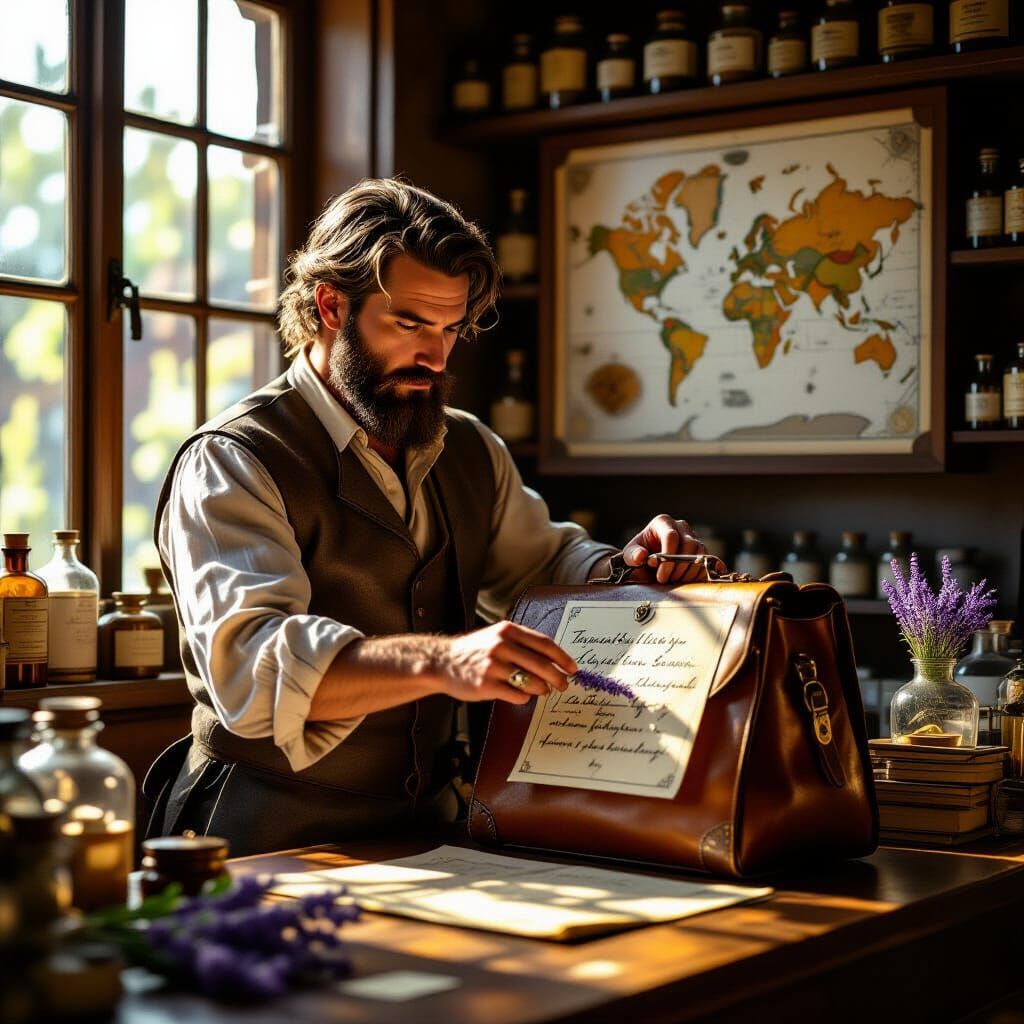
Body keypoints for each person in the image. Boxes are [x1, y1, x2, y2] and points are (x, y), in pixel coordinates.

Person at [148, 178, 715, 856]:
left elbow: (543, 567)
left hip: (427, 832)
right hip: (260, 839)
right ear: (330, 305)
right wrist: (444, 660)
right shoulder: (235, 459)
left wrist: (628, 568)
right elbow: (253, 667)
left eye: (450, 329)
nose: (436, 358)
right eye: (410, 324)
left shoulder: (469, 447)